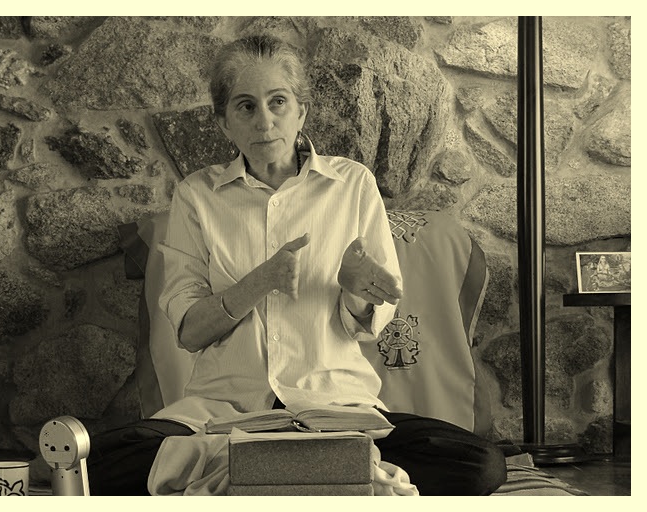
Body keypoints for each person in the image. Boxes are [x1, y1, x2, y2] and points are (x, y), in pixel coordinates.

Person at [87, 34, 506, 496]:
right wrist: (260, 281)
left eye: (278, 102)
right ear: (224, 123)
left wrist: (355, 291)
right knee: (96, 464)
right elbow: (189, 332)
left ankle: (257, 468)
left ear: (301, 112)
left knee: (480, 465)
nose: (264, 121)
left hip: (337, 410)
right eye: (246, 106)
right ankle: (324, 468)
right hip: (225, 412)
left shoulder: (352, 184)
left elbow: (373, 319)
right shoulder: (197, 196)